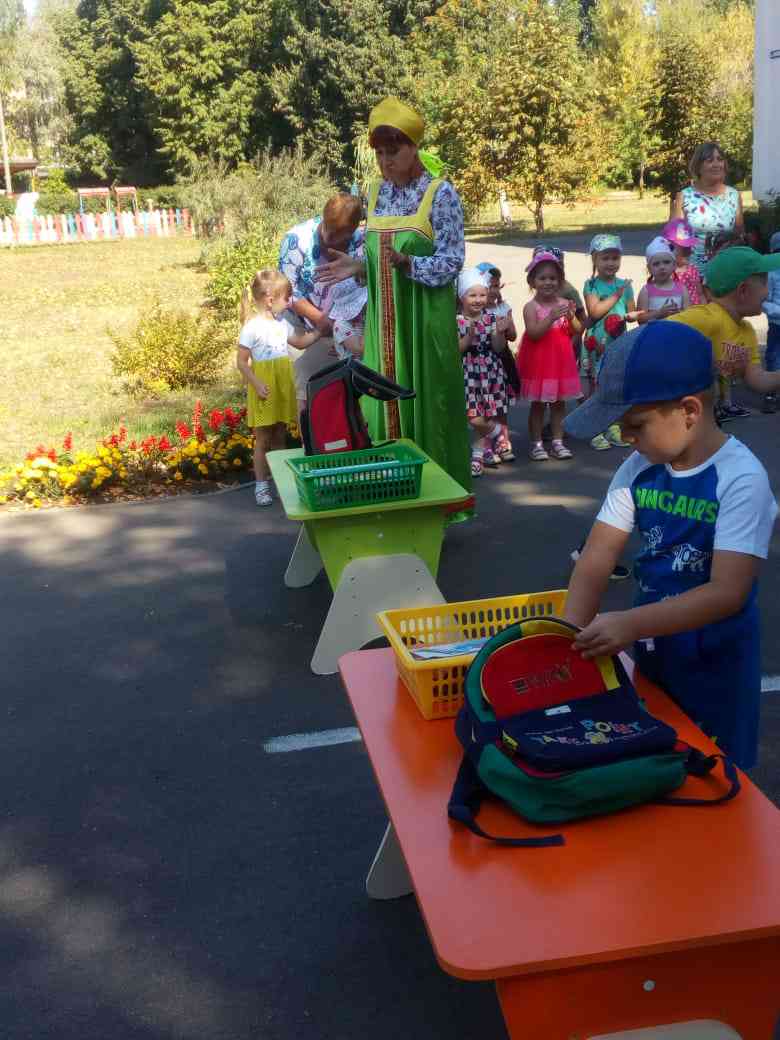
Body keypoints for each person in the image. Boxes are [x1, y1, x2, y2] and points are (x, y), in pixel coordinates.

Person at [562, 322, 777, 771]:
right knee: (661, 756)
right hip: (654, 651)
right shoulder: (639, 467)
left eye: (635, 425)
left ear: (690, 411)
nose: (627, 439)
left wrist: (632, 623)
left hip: (717, 663)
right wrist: (567, 643)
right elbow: (598, 558)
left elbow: (727, 592)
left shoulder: (741, 479)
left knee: (716, 770)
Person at [315, 96, 471, 495]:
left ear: (414, 146)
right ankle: (389, 498)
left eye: (394, 150)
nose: (386, 161)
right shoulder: (375, 193)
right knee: (380, 405)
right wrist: (360, 267)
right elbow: (378, 256)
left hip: (423, 327)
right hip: (383, 335)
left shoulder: (441, 194)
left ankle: (436, 503)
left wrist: (410, 266)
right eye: (380, 152)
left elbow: (452, 261)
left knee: (429, 407)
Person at [237, 270, 321, 506]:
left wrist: (320, 331)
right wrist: (256, 383)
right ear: (270, 299)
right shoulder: (251, 328)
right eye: (287, 298)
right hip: (264, 387)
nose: (290, 302)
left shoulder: (281, 324)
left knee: (280, 434)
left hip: (282, 385)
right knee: (263, 438)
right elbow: (241, 362)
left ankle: (282, 483)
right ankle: (261, 486)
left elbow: (300, 342)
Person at [669, 246, 780, 424]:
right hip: (672, 415)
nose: (768, 291)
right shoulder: (706, 318)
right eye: (765, 283)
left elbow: (758, 380)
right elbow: (655, 333)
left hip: (704, 418)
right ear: (743, 291)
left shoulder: (746, 332)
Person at [279, 194, 364, 410]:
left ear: (353, 229)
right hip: (308, 327)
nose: (328, 237)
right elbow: (288, 293)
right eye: (327, 228)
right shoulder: (296, 240)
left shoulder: (362, 241)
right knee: (309, 389)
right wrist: (321, 320)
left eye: (338, 235)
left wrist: (341, 332)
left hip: (348, 328)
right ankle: (311, 442)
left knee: (346, 394)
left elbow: (368, 284)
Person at [517, 250, 581, 461]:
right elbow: (534, 334)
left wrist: (571, 318)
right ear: (532, 281)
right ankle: (536, 443)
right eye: (542, 278)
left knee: (559, 404)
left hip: (560, 362)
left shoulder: (564, 303)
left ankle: (557, 441)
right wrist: (551, 317)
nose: (548, 282)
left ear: (560, 281)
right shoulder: (531, 307)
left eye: (553, 278)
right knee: (538, 405)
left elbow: (577, 330)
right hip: (540, 363)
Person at [583, 234, 639, 450]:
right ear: (594, 260)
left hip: (617, 342)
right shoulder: (592, 285)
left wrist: (638, 315)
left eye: (615, 258)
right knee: (596, 387)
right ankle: (595, 428)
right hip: (597, 344)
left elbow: (632, 312)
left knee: (614, 385)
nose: (611, 263)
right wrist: (617, 295)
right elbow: (595, 312)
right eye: (605, 258)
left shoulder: (625, 286)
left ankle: (613, 426)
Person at [457, 268, 508, 477]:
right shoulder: (457, 320)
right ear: (462, 297)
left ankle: (477, 456)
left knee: (484, 413)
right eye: (472, 295)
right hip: (468, 370)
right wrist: (469, 335)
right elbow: (458, 349)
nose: (478, 300)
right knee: (472, 415)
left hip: (489, 369)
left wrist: (499, 331)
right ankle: (497, 432)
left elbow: (498, 347)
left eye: (482, 295)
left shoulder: (491, 317)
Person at [671, 142, 744, 275]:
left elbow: (739, 236)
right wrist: (683, 270)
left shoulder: (734, 195)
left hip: (725, 272)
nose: (716, 164)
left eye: (720, 159)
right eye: (710, 160)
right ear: (698, 166)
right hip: (692, 274)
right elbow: (677, 240)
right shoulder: (684, 196)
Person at [479, 261, 518, 461]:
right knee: (485, 405)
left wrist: (507, 326)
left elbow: (513, 337)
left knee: (500, 405)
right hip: (480, 366)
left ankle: (504, 440)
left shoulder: (503, 308)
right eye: (489, 285)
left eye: (496, 285)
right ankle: (486, 444)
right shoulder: (475, 311)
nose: (493, 290)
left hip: (501, 362)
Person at [636, 237, 689, 321]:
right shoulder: (646, 291)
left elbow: (688, 316)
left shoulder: (682, 289)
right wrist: (659, 313)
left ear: (674, 265)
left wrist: (680, 313)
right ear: (649, 268)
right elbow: (640, 319)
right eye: (656, 264)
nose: (662, 267)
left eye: (666, 262)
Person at [661, 218, 703, 306]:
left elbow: (700, 294)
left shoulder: (692, 269)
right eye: (684, 249)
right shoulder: (664, 273)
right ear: (669, 248)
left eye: (689, 247)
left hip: (694, 313)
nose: (689, 251)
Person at [761, 231, 780, 414]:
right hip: (777, 323)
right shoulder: (771, 273)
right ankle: (771, 393)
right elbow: (764, 300)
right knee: (774, 357)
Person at [328, 278, 367, 359]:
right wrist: (370, 324)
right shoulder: (341, 325)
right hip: (358, 368)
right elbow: (359, 351)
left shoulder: (362, 316)